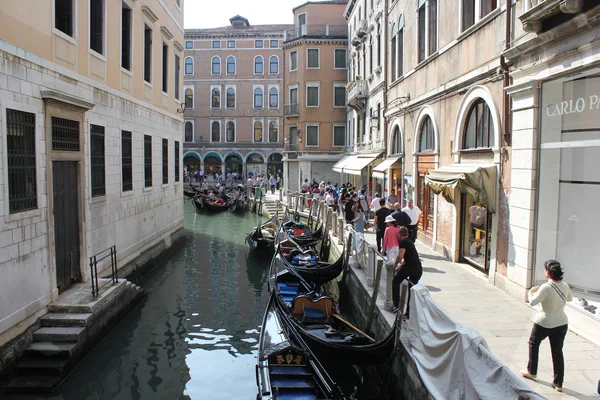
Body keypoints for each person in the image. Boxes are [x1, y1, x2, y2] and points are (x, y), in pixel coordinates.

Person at [520, 260, 573, 393]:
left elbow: (533, 302)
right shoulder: (565, 285)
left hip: (544, 322)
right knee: (557, 351)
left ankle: (531, 371)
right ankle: (558, 382)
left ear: (548, 272)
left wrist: (531, 291)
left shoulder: (546, 287)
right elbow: (570, 299)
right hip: (561, 323)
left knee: (533, 343)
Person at [392, 226, 423, 316]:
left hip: (410, 268)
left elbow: (400, 256)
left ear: (399, 235)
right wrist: (400, 266)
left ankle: (396, 305)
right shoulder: (410, 242)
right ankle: (408, 313)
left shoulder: (403, 242)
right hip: (418, 269)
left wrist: (395, 264)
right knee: (411, 289)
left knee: (395, 282)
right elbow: (407, 257)